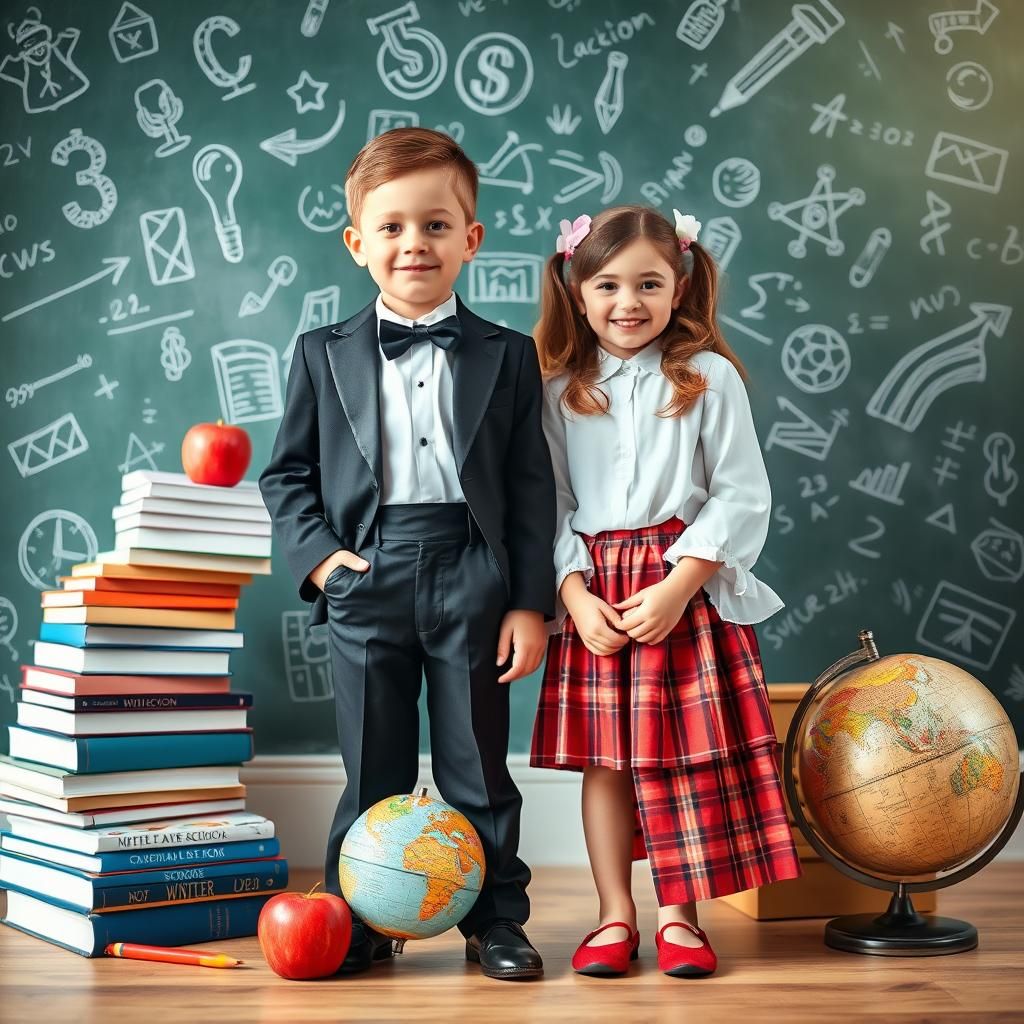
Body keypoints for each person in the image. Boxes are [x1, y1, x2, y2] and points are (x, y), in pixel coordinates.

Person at [260, 127, 556, 980]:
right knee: (372, 765)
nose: (413, 243)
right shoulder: (321, 352)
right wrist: (325, 563)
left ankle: (495, 920)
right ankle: (360, 919)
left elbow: (530, 487)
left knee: (478, 763)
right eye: (391, 227)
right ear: (358, 244)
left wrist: (527, 603)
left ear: (471, 238)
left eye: (435, 225)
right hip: (367, 570)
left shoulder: (510, 355)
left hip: (471, 570)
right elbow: (286, 475)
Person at [530, 205, 800, 979]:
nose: (629, 302)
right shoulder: (558, 390)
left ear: (679, 288)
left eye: (649, 283)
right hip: (598, 593)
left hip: (683, 585)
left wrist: (680, 587)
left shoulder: (708, 378)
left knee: (683, 757)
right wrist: (573, 596)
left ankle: (680, 919)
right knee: (607, 763)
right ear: (577, 290)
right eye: (608, 285)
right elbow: (547, 504)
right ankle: (615, 915)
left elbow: (741, 494)